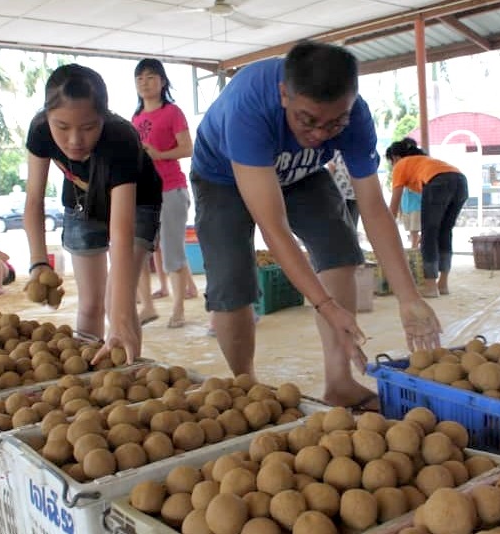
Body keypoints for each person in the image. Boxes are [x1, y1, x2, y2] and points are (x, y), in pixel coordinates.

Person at [190, 41, 442, 410]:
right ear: (283, 95)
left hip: (301, 173)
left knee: (340, 246)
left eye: (334, 123)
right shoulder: (249, 105)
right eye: (308, 120)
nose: (321, 134)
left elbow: (372, 206)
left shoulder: (355, 117)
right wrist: (324, 304)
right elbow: (272, 227)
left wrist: (409, 297)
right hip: (223, 177)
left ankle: (339, 383)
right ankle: (246, 386)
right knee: (232, 282)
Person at [24, 63, 162, 363]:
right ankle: (86, 373)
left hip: (137, 203)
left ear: (104, 117)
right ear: (47, 116)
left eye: (88, 127)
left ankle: (126, 372)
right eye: (62, 127)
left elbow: (122, 230)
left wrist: (123, 314)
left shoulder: (121, 138)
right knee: (89, 304)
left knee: (118, 302)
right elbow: (34, 201)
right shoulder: (39, 132)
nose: (75, 140)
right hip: (81, 200)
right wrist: (37, 263)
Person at [132, 58, 198, 329]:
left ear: (162, 81)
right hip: (143, 193)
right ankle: (147, 307)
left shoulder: (173, 112)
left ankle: (178, 309)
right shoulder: (135, 118)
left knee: (172, 252)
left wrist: (159, 154)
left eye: (150, 77)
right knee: (138, 250)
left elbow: (187, 148)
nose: (144, 83)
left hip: (171, 188)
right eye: (139, 79)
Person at [385, 139, 468, 298]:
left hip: (438, 182)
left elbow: (394, 205)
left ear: (395, 158)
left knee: (429, 234)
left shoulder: (402, 165)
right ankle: (442, 284)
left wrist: (384, 229)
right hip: (461, 181)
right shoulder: (426, 161)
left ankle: (430, 286)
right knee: (444, 232)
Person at [326, 150, 359, 230]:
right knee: (347, 226)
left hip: (350, 195)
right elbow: (331, 168)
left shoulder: (337, 151)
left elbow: (331, 168)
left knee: (345, 225)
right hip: (342, 194)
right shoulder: (337, 151)